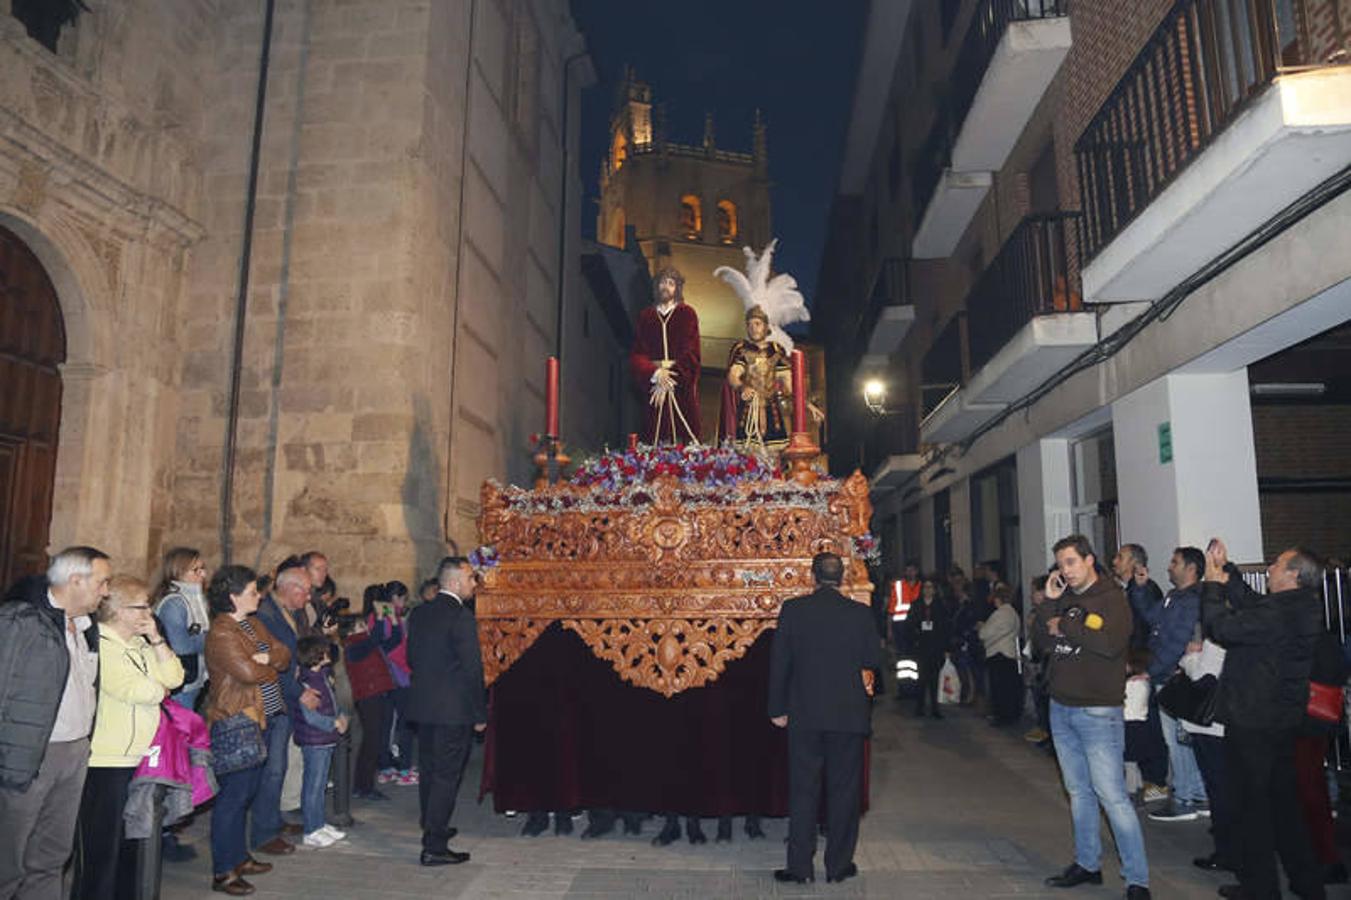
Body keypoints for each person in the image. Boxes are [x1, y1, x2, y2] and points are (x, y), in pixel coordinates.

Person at [1202, 538, 1326, 900]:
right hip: (1280, 721)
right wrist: (1229, 574)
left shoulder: (1280, 613)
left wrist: (1211, 586)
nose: (1269, 569)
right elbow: (1253, 606)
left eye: (1276, 565)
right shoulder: (1299, 606)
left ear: (1293, 575)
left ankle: (1261, 888)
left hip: (1254, 720)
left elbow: (1222, 629)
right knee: (1285, 806)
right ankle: (1308, 884)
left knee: (1251, 808)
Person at [1031, 534, 1150, 899]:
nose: (1065, 571)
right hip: (1061, 707)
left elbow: (1110, 644)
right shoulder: (1065, 599)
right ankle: (1087, 864)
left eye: (1070, 562)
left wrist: (1065, 626)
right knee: (1078, 792)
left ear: (1089, 560)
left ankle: (1137, 880)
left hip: (1098, 710)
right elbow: (1041, 643)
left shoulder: (1112, 599)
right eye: (1060, 565)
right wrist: (1049, 607)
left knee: (1112, 795)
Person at [0, 546, 109, 900]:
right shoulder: (21, 621)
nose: (105, 591)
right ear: (75, 580)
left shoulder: (86, 626)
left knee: (52, 855)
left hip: (74, 752)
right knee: (7, 861)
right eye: (102, 582)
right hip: (29, 755)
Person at [768, 552, 882, 885]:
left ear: (812, 576)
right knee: (843, 791)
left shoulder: (794, 611)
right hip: (847, 716)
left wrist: (777, 709)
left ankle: (799, 867)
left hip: (804, 715)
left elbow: (780, 664)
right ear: (842, 577)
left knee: (803, 790)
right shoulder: (860, 614)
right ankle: (839, 865)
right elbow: (872, 658)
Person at [74, 575, 184, 900]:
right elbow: (134, 689)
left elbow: (175, 677)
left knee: (132, 847)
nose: (148, 613)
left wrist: (156, 640)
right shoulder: (101, 645)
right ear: (120, 610)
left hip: (141, 760)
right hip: (107, 761)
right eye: (142, 607)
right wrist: (157, 689)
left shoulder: (139, 644)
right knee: (102, 849)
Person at [203, 565, 290, 896]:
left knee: (248, 793)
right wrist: (265, 663)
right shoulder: (221, 633)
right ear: (233, 596)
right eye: (253, 591)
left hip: (263, 717)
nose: (259, 596)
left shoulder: (253, 624)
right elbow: (247, 673)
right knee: (233, 797)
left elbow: (284, 654)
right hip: (237, 719)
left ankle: (239, 857)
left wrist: (265, 658)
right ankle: (224, 870)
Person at [407, 556, 487, 866]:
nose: (473, 584)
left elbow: (414, 658)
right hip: (453, 711)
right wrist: (480, 714)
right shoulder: (461, 618)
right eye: (470, 578)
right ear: (454, 582)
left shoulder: (420, 614)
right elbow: (472, 670)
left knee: (429, 771)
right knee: (446, 777)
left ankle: (432, 823)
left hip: (425, 706)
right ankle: (434, 846)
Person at [253, 562, 320, 853]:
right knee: (273, 768)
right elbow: (275, 666)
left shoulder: (291, 612)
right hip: (274, 698)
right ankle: (264, 832)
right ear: (291, 589)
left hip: (286, 697)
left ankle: (273, 819)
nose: (308, 597)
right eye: (305, 591)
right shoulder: (266, 616)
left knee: (279, 766)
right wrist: (299, 692)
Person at [1136, 547, 1207, 822]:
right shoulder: (1174, 597)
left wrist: (1152, 671)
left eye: (1174, 562)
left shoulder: (1191, 601)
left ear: (1190, 568)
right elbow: (1152, 618)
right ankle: (1197, 793)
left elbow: (1176, 643)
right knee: (1182, 739)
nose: (1169, 567)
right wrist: (1141, 589)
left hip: (1173, 678)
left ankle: (1184, 797)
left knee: (1177, 741)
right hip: (1169, 675)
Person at [1177, 636, 1238, 875]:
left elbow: (1203, 677)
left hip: (1211, 724)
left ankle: (1227, 852)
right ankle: (1231, 848)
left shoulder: (1218, 638)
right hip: (1229, 723)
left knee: (1220, 790)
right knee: (1226, 789)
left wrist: (1189, 656)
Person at [630, 266, 701, 444]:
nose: (666, 287)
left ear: (677, 288)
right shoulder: (646, 316)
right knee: (653, 435)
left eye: (671, 283)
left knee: (683, 437)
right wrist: (655, 374)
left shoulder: (687, 314)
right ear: (656, 286)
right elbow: (638, 354)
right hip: (654, 386)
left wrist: (669, 377)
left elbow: (692, 353)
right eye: (662, 282)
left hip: (679, 386)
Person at [292, 636, 349, 849]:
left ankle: (319, 823)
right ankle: (311, 829)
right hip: (314, 739)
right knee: (313, 786)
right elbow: (311, 717)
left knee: (321, 783)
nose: (329, 653)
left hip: (325, 738)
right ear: (316, 655)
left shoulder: (323, 675)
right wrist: (334, 723)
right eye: (324, 650)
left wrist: (341, 716)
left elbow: (334, 702)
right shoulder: (307, 682)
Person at [344, 584, 398, 801]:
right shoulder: (354, 646)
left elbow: (392, 642)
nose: (364, 627)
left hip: (380, 694)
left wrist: (392, 620)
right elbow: (375, 638)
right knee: (371, 742)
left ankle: (364, 785)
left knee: (376, 741)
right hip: (368, 697)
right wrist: (380, 614)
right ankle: (363, 786)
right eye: (359, 626)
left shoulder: (365, 642)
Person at [722, 305, 791, 448]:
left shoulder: (776, 350)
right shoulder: (742, 350)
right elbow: (733, 375)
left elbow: (790, 382)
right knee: (748, 455)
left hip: (773, 412)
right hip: (748, 412)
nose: (753, 328)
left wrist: (806, 403)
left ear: (766, 326)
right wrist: (742, 387)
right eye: (750, 324)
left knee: (775, 453)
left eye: (757, 324)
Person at [152, 547, 211, 712]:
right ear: (178, 572)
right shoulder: (174, 603)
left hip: (193, 679)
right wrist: (210, 638)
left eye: (203, 568)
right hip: (179, 682)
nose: (203, 574)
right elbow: (181, 646)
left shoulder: (195, 599)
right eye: (196, 570)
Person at [376, 581, 417, 785]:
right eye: (402, 598)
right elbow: (393, 648)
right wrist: (411, 667)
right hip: (399, 676)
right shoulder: (388, 617)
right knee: (403, 725)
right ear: (394, 598)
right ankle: (403, 769)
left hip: (391, 676)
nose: (403, 603)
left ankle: (387, 767)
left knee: (388, 725)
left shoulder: (383, 615)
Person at [1122, 647, 1167, 804]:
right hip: (1140, 725)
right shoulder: (1145, 683)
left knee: (1129, 762)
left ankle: (1131, 792)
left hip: (1129, 726)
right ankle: (1139, 785)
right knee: (1134, 761)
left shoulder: (1131, 684)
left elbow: (1123, 704)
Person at [905, 578, 951, 718]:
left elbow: (945, 628)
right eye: (925, 587)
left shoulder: (940, 607)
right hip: (921, 646)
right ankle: (919, 706)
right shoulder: (916, 605)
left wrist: (946, 648)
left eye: (930, 587)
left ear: (935, 590)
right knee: (921, 678)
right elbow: (909, 625)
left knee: (934, 678)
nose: (928, 590)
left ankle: (935, 708)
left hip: (936, 646)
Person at [979, 584, 1022, 726]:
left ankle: (1001, 716)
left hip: (998, 653)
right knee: (1009, 688)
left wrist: (982, 628)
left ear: (998, 599)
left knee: (999, 689)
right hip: (1010, 653)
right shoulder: (1013, 614)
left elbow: (984, 634)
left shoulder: (1000, 614)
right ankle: (1010, 715)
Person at [1113, 544, 1160, 651]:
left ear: (1135, 563)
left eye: (1120, 557)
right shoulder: (1115, 587)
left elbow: (1147, 619)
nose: (1114, 561)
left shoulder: (1148, 589)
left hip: (1140, 653)